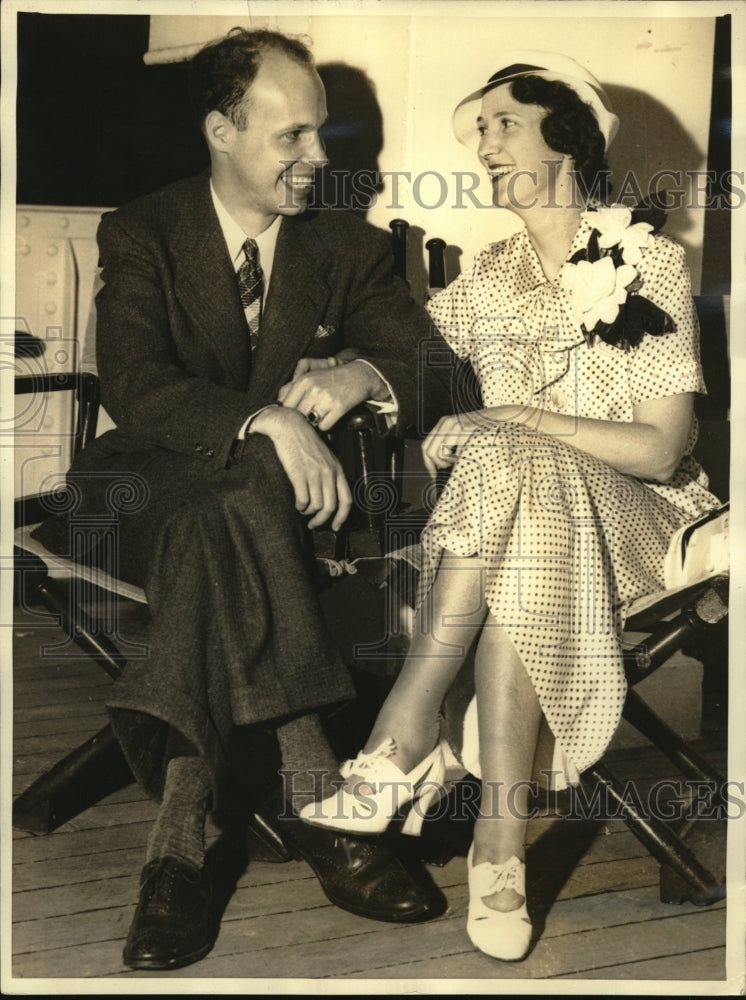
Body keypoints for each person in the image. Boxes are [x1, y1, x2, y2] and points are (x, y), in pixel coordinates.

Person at [32, 27, 456, 970]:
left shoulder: (346, 246)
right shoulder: (143, 229)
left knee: (229, 514)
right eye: (293, 137)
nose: (320, 159)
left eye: (323, 134)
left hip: (240, 514)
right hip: (138, 480)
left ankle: (178, 850)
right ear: (223, 130)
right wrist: (268, 416)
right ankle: (319, 801)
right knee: (245, 483)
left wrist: (360, 378)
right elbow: (136, 384)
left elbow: (439, 371)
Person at [299, 51, 721, 961]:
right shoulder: (491, 274)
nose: (484, 146)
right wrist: (347, 373)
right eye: (479, 130)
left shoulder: (647, 264)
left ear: (563, 139)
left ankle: (400, 737)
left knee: (510, 442)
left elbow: (659, 447)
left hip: (644, 525)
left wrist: (515, 416)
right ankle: (500, 845)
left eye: (502, 124)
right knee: (519, 485)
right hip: (525, 542)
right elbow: (415, 359)